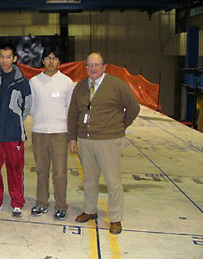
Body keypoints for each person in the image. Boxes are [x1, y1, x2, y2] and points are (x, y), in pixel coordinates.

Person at [68, 52, 140, 234]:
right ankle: (90, 210)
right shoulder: (81, 87)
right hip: (86, 140)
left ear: (104, 66)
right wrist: (72, 138)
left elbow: (133, 107)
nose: (93, 68)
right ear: (85, 67)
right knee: (89, 179)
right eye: (89, 65)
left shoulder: (117, 85)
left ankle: (115, 218)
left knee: (112, 181)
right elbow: (73, 113)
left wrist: (120, 126)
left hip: (109, 141)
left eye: (96, 65)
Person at [29, 46, 74, 220]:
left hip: (60, 133)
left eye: (54, 58)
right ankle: (41, 203)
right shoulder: (34, 81)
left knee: (60, 172)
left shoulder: (67, 82)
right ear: (42, 60)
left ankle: (61, 206)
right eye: (47, 58)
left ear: (59, 61)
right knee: (41, 170)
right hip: (39, 132)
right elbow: (31, 107)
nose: (51, 61)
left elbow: (70, 108)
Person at [0, 44, 32, 217]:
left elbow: (27, 106)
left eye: (8, 57)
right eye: (2, 56)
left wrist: (15, 120)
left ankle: (17, 202)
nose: (5, 60)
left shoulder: (22, 81)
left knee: (15, 168)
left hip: (13, 134)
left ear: (14, 59)